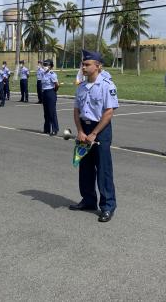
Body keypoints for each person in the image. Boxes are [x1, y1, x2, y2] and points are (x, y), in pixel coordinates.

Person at [70, 50, 119, 223]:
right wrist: (80, 131)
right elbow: (77, 110)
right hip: (84, 130)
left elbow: (109, 112)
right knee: (85, 168)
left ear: (98, 66)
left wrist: (94, 133)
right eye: (83, 64)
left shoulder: (107, 85)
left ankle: (107, 206)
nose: (83, 67)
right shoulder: (82, 86)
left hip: (101, 130)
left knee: (103, 170)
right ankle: (88, 200)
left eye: (87, 64)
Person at [41, 59, 59, 135]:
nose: (44, 66)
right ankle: (47, 128)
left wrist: (53, 91)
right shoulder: (43, 74)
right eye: (44, 65)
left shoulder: (52, 74)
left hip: (51, 92)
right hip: (44, 93)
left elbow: (57, 85)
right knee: (46, 112)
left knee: (52, 112)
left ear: (50, 66)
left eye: (46, 65)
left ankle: (55, 129)